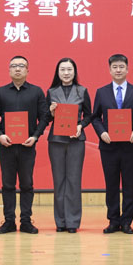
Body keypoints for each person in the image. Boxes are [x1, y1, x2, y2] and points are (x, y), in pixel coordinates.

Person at [0, 55, 49, 234]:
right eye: (14, 66)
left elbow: (44, 117)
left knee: (27, 184)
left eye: (21, 66)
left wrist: (35, 136)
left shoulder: (36, 92)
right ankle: (9, 221)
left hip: (27, 146)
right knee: (7, 184)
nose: (17, 69)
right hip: (6, 146)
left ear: (27, 70)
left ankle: (25, 221)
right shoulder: (0, 92)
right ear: (9, 70)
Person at [91, 54, 133, 234]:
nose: (118, 70)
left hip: (130, 146)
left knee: (130, 185)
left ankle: (127, 222)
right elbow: (95, 117)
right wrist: (102, 132)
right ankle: (113, 220)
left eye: (121, 67)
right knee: (111, 185)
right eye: (115, 67)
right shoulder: (101, 92)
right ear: (109, 70)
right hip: (108, 146)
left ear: (127, 69)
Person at [46, 57, 92, 233]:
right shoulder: (51, 92)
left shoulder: (82, 91)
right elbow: (45, 117)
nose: (66, 73)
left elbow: (89, 115)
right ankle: (60, 221)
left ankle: (72, 222)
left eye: (69, 69)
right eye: (63, 70)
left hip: (75, 141)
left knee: (73, 180)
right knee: (59, 181)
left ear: (74, 72)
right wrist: (50, 112)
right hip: (56, 141)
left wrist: (81, 125)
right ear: (58, 72)